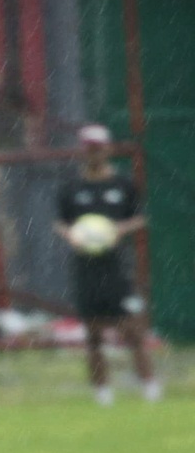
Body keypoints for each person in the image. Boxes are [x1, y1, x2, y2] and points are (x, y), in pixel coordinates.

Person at [53, 123, 159, 406]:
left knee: (133, 330)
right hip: (86, 268)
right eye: (88, 149)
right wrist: (73, 235)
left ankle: (149, 387)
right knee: (94, 334)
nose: (93, 154)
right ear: (82, 151)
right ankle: (102, 394)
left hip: (117, 268)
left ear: (108, 150)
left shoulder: (122, 185)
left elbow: (141, 217)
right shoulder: (72, 188)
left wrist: (118, 230)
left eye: (98, 149)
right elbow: (61, 223)